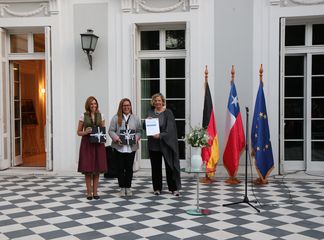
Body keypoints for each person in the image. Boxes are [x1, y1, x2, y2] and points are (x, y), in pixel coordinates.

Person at [145, 93, 181, 196]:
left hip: (166, 144)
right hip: (153, 145)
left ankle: (174, 188)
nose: (157, 102)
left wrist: (160, 135)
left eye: (159, 100)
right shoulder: (150, 112)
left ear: (162, 101)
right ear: (153, 102)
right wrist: (146, 122)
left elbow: (170, 129)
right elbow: (145, 127)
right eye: (155, 100)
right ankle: (157, 188)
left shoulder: (168, 113)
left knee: (170, 166)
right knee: (155, 168)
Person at [108, 98, 141, 197]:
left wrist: (136, 138)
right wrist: (116, 138)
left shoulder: (135, 118)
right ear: (121, 107)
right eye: (124, 105)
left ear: (130, 107)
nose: (126, 107)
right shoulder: (115, 118)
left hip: (131, 148)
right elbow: (111, 131)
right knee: (120, 168)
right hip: (119, 147)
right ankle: (122, 188)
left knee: (129, 168)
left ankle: (128, 187)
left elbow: (139, 131)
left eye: (128, 105)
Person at [77, 96, 107, 200]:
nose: (93, 105)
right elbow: (78, 132)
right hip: (87, 144)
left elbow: (103, 130)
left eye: (95, 103)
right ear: (88, 105)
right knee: (88, 169)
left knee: (97, 169)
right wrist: (85, 132)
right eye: (91, 104)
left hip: (98, 144)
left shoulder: (101, 115)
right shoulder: (83, 116)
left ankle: (95, 192)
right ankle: (89, 192)